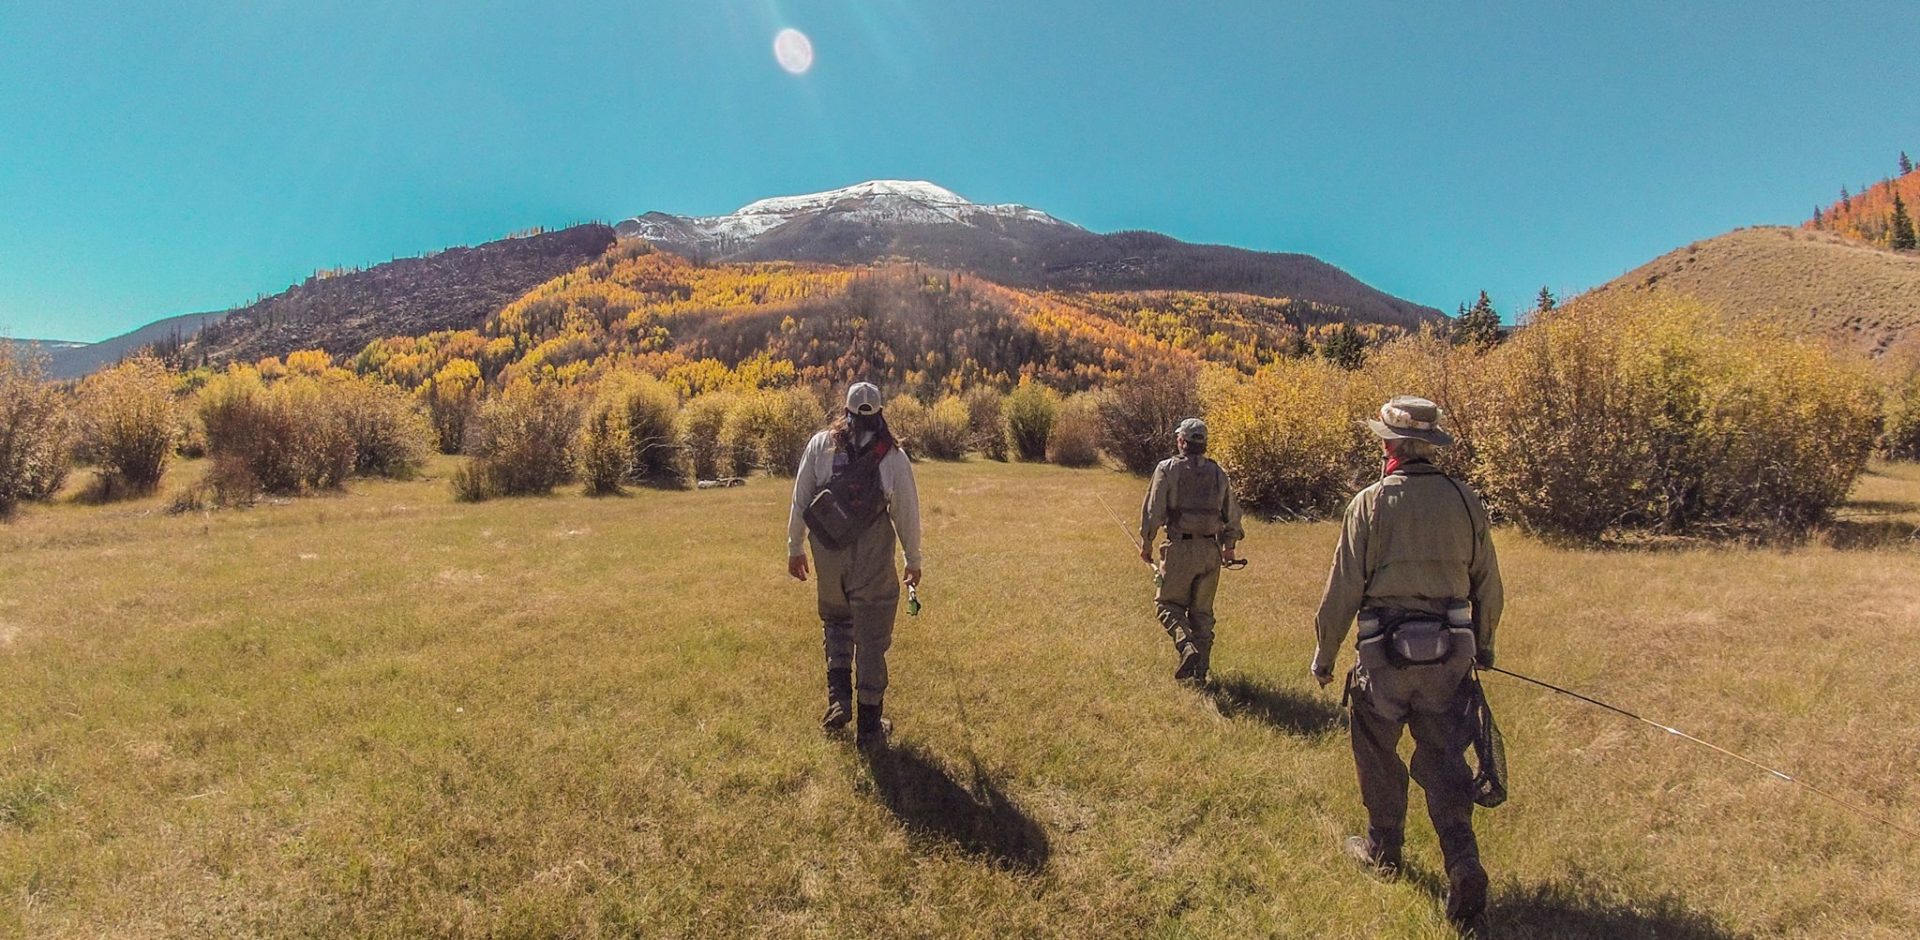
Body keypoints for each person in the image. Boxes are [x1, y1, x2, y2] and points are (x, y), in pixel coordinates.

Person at [1310, 395, 1503, 925]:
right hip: (1450, 661)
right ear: (1430, 445)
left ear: (1391, 446)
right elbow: (1490, 585)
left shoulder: (1368, 504)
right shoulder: (1466, 501)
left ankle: (1383, 848)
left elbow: (1341, 592)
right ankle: (1462, 860)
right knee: (1444, 760)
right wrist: (1482, 647)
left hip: (1383, 662)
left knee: (1376, 751)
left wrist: (1324, 657)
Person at [787, 382, 923, 748]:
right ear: (880, 414)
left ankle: (838, 700)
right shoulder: (892, 457)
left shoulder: (820, 445)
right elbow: (906, 513)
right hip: (872, 557)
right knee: (872, 636)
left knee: (836, 621)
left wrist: (794, 547)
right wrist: (913, 560)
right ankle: (869, 727)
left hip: (828, 554)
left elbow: (801, 498)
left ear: (844, 411)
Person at [1140, 417, 1244, 685]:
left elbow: (1153, 510)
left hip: (1180, 549)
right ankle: (1201, 674)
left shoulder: (1167, 469)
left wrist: (1147, 543)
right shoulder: (1218, 472)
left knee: (1166, 605)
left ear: (1182, 442)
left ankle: (1186, 646)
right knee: (1202, 614)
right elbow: (1231, 513)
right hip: (1211, 551)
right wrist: (1229, 547)